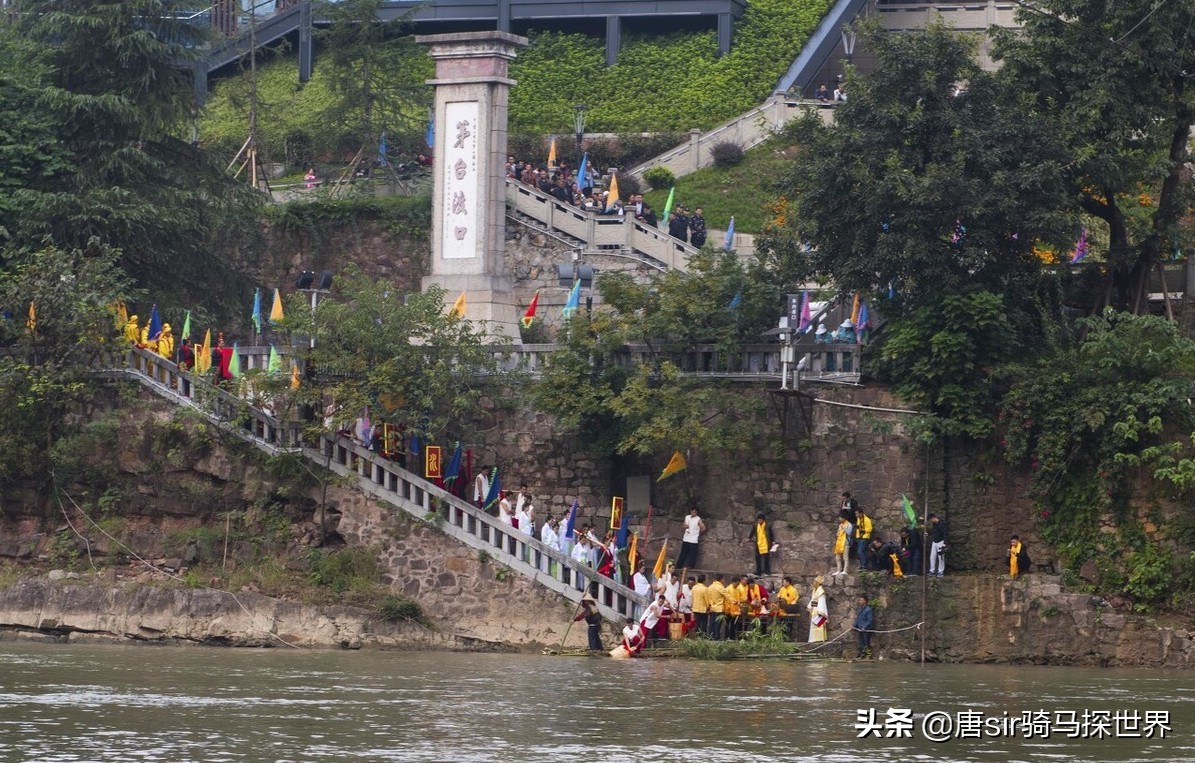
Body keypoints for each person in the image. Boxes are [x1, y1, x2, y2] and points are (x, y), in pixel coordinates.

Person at [808, 575, 828, 643]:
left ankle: (818, 639)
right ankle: (813, 639)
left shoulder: (821, 591)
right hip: (814, 609)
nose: (813, 583)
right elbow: (812, 600)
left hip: (818, 610)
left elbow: (822, 602)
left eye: (814, 581)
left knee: (818, 624)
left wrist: (820, 611)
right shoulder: (814, 590)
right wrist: (810, 607)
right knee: (813, 625)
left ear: (818, 583)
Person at [833, 508, 853, 576]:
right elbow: (838, 534)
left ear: (844, 517)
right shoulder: (840, 525)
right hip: (839, 543)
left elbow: (849, 533)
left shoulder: (849, 525)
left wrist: (843, 528)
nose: (839, 519)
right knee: (838, 557)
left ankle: (845, 570)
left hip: (846, 543)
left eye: (840, 517)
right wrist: (838, 532)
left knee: (845, 557)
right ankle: (838, 570)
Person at [706, 573, 726, 639]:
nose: (724, 580)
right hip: (719, 608)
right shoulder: (721, 587)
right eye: (723, 579)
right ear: (721, 579)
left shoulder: (710, 586)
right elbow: (727, 596)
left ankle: (710, 636)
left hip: (712, 608)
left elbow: (707, 597)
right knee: (718, 623)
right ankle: (716, 636)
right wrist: (735, 602)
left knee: (712, 623)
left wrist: (709, 606)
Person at [928, 513, 947, 577]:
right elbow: (933, 532)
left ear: (933, 518)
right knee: (932, 556)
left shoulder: (941, 524)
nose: (931, 521)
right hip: (934, 542)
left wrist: (944, 543)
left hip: (940, 542)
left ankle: (940, 571)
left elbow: (945, 533)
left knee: (941, 557)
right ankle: (932, 570)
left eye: (931, 520)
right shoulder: (934, 525)